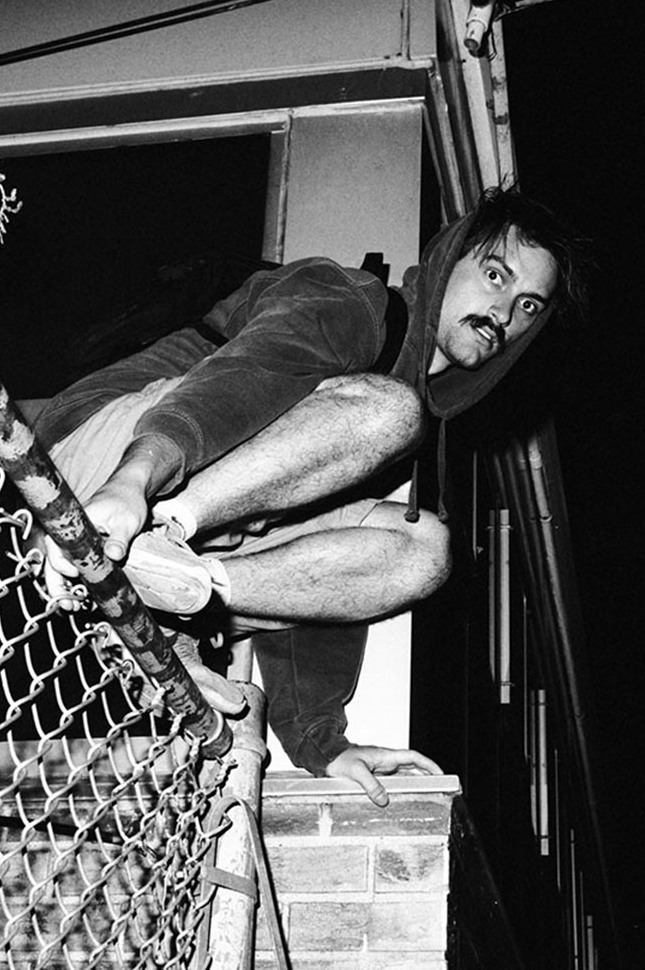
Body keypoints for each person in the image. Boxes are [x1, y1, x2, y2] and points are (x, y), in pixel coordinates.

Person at [33, 186, 587, 805]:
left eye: (526, 305)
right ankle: (163, 537)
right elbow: (241, 379)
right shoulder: (353, 302)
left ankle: (177, 592)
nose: (502, 314)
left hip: (170, 493)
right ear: (447, 258)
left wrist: (322, 743)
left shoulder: (382, 420)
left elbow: (316, 575)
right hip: (104, 448)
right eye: (493, 275)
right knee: (387, 412)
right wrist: (133, 479)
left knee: (423, 546)